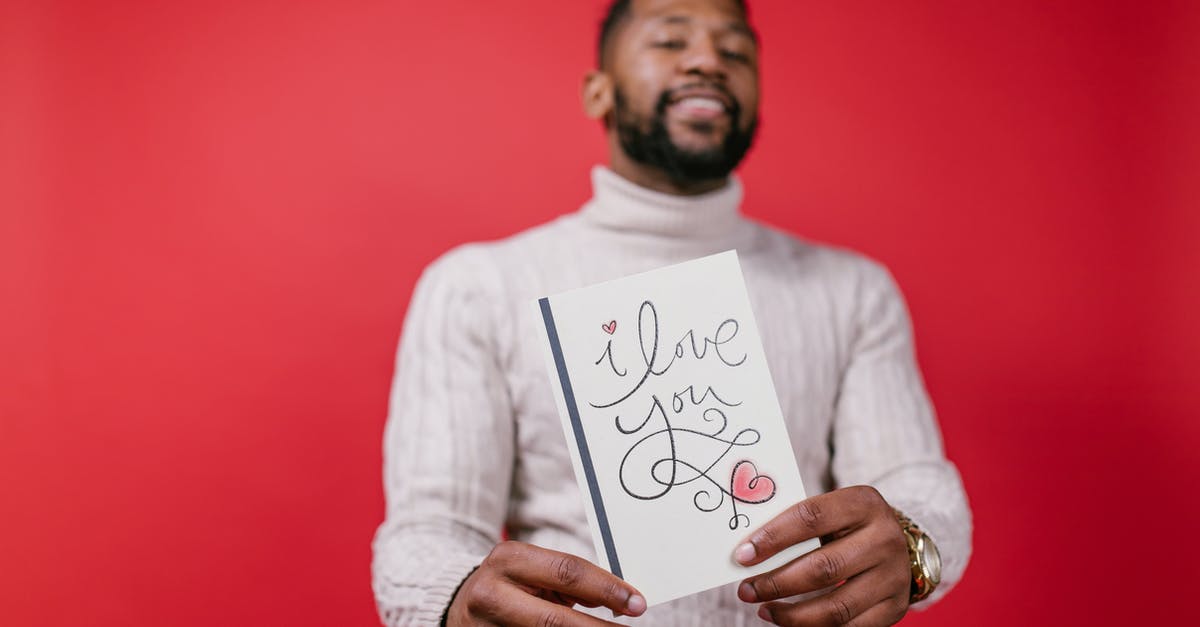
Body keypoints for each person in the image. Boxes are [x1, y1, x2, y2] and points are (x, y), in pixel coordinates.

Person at [371, 0, 972, 625]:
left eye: (735, 51)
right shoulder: (477, 286)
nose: (709, 61)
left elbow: (917, 482)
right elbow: (430, 529)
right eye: (670, 40)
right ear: (597, 91)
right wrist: (456, 602)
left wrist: (912, 543)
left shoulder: (852, 291)